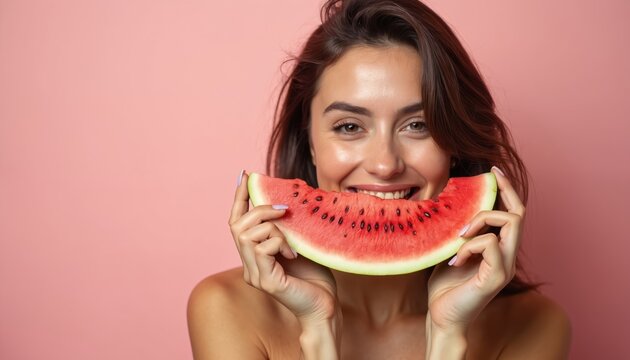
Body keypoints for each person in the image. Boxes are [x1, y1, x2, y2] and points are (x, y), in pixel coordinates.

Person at [187, 0, 571, 358]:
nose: (385, 164)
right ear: (310, 142)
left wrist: (447, 334)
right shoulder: (225, 308)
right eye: (350, 126)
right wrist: (318, 329)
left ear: (454, 143)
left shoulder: (534, 325)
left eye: (418, 125)